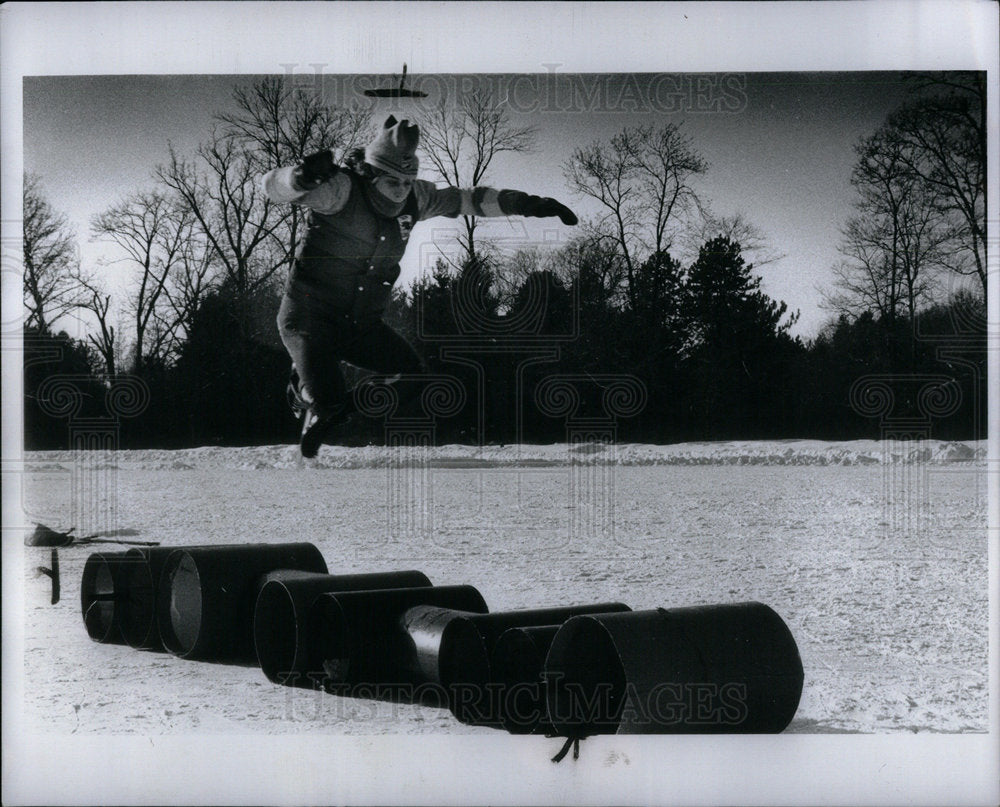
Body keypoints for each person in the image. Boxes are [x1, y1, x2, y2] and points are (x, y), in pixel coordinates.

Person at [261, 115, 578, 457]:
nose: (400, 191)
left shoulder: (417, 199)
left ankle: (327, 400)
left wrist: (527, 204)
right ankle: (312, 393)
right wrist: (301, 177)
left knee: (412, 378)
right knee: (330, 401)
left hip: (360, 325)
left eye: (407, 182)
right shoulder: (341, 190)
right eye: (391, 182)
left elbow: (469, 199)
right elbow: (271, 187)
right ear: (371, 176)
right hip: (310, 319)